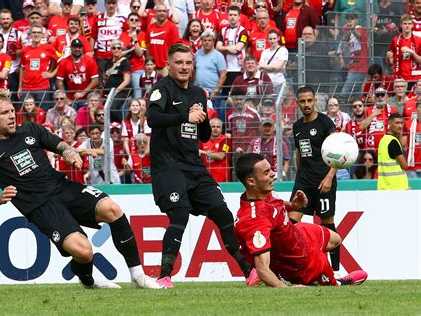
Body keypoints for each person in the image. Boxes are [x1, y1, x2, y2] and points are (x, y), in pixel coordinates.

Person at [0, 89, 161, 289]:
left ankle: (138, 276)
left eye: (11, 111)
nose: (11, 116)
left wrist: (69, 153)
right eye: (4, 113)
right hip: (41, 207)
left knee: (112, 209)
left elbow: (61, 146)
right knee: (84, 252)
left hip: (63, 187)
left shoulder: (31, 130)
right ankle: (88, 280)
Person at [146, 43, 255, 288]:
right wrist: (186, 116)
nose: (184, 67)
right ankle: (164, 276)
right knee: (180, 213)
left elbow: (204, 135)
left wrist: (202, 117)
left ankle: (249, 272)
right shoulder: (161, 89)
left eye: (188, 63)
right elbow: (153, 119)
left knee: (223, 214)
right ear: (168, 65)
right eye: (179, 62)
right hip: (168, 167)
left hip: (194, 167)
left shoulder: (198, 93)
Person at [233, 153, 368, 287]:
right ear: (251, 182)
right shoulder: (254, 220)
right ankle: (337, 281)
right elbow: (263, 269)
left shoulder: (261, 193)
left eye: (271, 169)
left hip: (300, 233)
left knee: (336, 240)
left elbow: (272, 206)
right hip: (301, 263)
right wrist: (287, 289)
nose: (273, 174)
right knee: (334, 286)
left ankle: (280, 270)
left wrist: (292, 206)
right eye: (267, 172)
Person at [291, 86, 340, 275]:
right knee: (292, 224)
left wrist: (329, 177)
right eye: (302, 101)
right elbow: (298, 153)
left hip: (323, 182)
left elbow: (338, 150)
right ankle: (292, 267)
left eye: (309, 100)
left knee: (327, 223)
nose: (306, 105)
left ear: (315, 100)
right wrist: (298, 176)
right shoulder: (297, 126)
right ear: (297, 103)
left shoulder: (325, 123)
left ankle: (335, 270)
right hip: (303, 182)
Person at [55, 38, 99, 106]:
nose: (77, 49)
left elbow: (95, 80)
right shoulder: (64, 62)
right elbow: (59, 81)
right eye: (75, 47)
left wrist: (83, 93)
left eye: (79, 47)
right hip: (71, 98)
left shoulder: (90, 60)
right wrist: (65, 97)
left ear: (82, 48)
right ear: (71, 48)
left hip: (88, 97)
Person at [377, 113, 409, 190]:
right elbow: (404, 166)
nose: (400, 126)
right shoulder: (393, 142)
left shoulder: (383, 140)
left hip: (384, 185)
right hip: (397, 186)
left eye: (401, 123)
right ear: (390, 124)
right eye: (397, 123)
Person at [199, 117, 231, 183]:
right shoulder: (203, 140)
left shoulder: (226, 140)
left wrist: (204, 152)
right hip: (206, 176)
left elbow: (221, 156)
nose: (215, 129)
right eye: (213, 127)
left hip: (222, 177)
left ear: (221, 129)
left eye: (218, 127)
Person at [258, 30, 288, 95]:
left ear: (278, 38)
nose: (272, 41)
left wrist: (265, 66)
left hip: (279, 82)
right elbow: (260, 68)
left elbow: (278, 67)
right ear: (267, 40)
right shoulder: (265, 52)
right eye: (270, 39)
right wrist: (274, 68)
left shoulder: (283, 50)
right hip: (267, 83)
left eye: (274, 38)